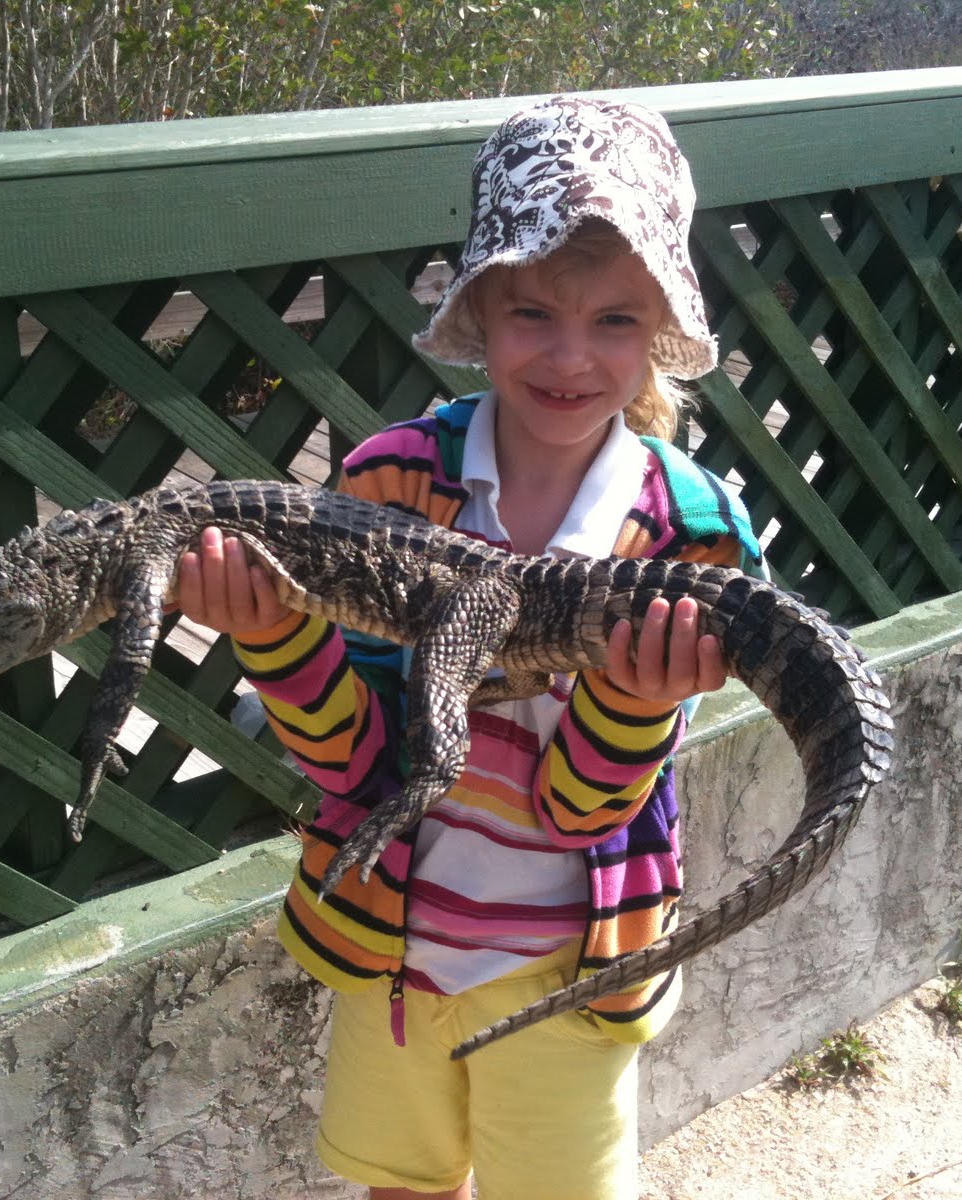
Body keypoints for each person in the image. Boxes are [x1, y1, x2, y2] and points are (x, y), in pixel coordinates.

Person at [177, 96, 763, 1200]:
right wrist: (272, 636)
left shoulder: (694, 538)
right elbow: (353, 760)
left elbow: (586, 811)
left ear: (658, 333)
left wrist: (631, 706)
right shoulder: (390, 478)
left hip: (577, 967)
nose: (570, 356)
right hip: (389, 943)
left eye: (616, 321)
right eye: (533, 310)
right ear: (481, 309)